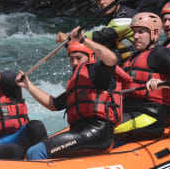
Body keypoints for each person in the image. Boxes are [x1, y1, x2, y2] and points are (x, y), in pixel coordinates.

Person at [17, 26, 131, 160]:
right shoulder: (77, 82)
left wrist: (83, 39)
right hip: (80, 133)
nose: (74, 63)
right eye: (71, 59)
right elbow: (53, 104)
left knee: (36, 152)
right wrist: (28, 85)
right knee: (33, 152)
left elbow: (112, 59)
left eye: (78, 58)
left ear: (92, 56)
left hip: (96, 133)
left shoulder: (97, 71)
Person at [114, 12, 170, 142]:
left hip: (150, 116)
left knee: (103, 128)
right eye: (134, 32)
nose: (135, 37)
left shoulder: (161, 53)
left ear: (155, 33)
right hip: (128, 110)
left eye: (141, 32)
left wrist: (164, 83)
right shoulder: (133, 57)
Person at [56, 0, 137, 65]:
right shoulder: (112, 17)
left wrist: (71, 37)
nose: (102, 2)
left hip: (130, 67)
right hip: (118, 65)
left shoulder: (129, 16)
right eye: (99, 0)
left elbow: (105, 35)